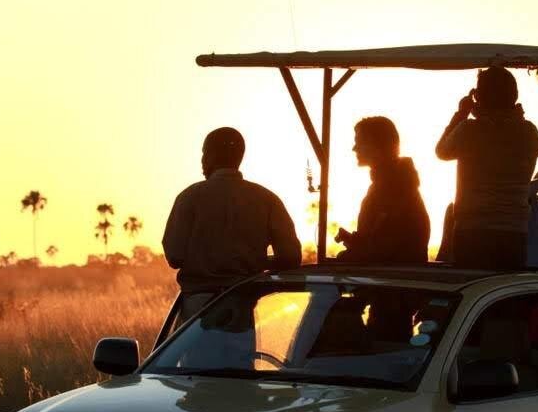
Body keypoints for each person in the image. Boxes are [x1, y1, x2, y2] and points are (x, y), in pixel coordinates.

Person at [163, 127, 302, 324]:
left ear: (211, 156)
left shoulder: (189, 197)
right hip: (244, 307)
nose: (202, 160)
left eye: (204, 153)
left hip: (197, 308)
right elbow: (291, 257)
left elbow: (174, 256)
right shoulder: (267, 199)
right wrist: (253, 262)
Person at [436, 66, 538, 269]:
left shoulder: (469, 130)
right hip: (514, 232)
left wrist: (461, 113)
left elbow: (441, 151)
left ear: (478, 96)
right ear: (514, 96)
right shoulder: (528, 132)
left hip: (472, 230)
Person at [335, 116, 430, 264]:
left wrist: (349, 254)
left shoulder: (394, 188)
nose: (354, 148)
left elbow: (383, 250)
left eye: (360, 142)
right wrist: (353, 240)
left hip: (393, 276)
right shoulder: (390, 184)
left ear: (378, 146)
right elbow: (380, 242)